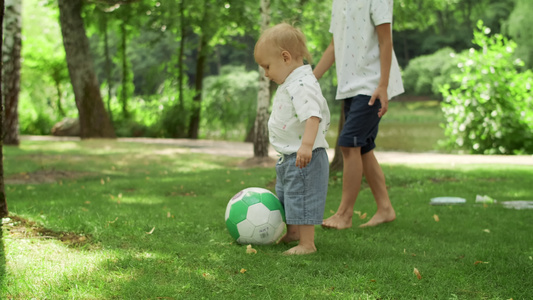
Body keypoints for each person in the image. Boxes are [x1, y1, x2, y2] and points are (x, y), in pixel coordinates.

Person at [313, 0, 404, 229]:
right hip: (350, 86)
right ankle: (385, 209)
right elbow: (334, 46)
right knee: (363, 148)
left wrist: (383, 86)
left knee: (348, 144)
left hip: (372, 84)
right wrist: (310, 80)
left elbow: (385, 40)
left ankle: (344, 214)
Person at [254, 23, 331, 255]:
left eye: (267, 66)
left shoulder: (301, 84)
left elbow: (312, 115)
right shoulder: (291, 81)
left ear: (285, 57)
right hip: (290, 156)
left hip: (303, 155)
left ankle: (307, 244)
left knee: (303, 196)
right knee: (288, 196)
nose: (266, 73)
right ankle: (294, 233)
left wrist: (306, 146)